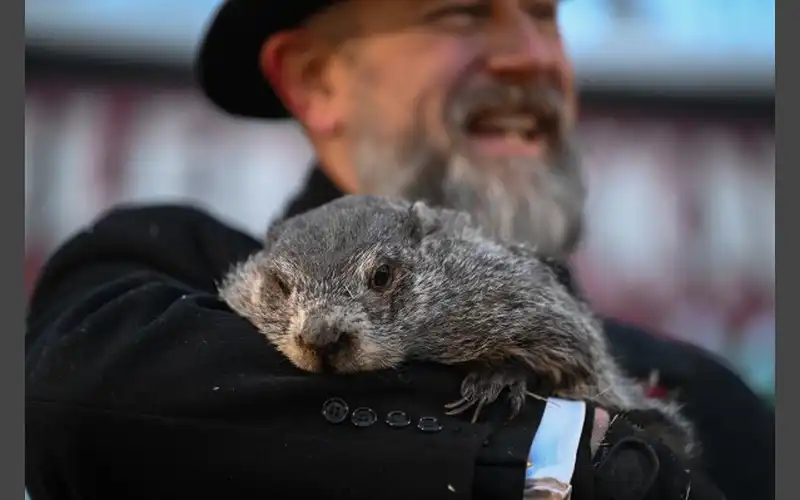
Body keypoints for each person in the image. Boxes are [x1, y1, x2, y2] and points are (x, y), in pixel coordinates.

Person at [24, 0, 773, 499]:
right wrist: (570, 451)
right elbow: (75, 397)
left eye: (545, 13)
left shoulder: (708, 398)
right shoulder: (156, 275)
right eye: (461, 12)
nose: (532, 58)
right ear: (316, 79)